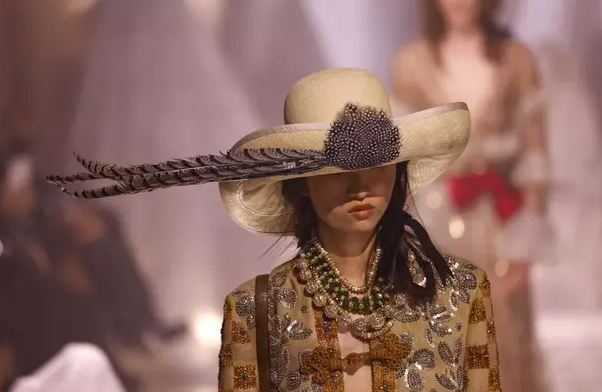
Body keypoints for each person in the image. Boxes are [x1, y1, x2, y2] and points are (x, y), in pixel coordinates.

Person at [48, 68, 499, 391]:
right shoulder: (255, 311)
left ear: (397, 171)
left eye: (377, 164)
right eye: (334, 168)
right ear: (299, 185)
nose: (360, 185)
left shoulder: (461, 293)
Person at [391, 1, 550, 391]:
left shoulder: (518, 60)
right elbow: (402, 156)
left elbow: (535, 151)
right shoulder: (412, 62)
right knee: (439, 334)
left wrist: (528, 234)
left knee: (504, 335)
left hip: (499, 220)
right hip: (436, 218)